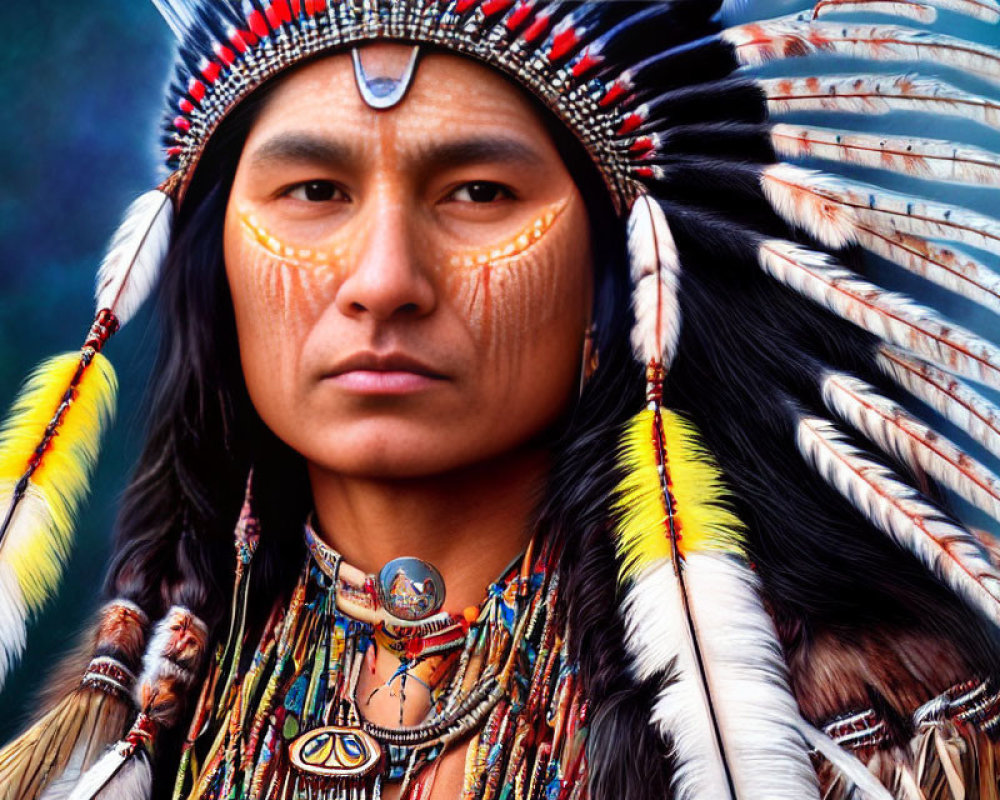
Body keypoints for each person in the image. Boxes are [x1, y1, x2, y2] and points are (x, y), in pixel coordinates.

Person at [1, 1, 1000, 798]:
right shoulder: (145, 719)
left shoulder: (864, 736)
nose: (384, 279)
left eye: (479, 192)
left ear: (615, 281)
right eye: (313, 190)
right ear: (214, 269)